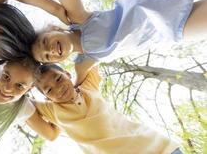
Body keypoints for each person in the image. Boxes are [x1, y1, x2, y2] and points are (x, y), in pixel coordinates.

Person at [0, 0, 207, 85]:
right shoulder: (84, 62)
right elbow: (76, 86)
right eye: (47, 57)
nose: (51, 50)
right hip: (172, 29)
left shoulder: (78, 19)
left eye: (45, 42)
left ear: (55, 29)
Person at [28, 63, 182, 154]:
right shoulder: (52, 110)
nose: (58, 87)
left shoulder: (88, 87)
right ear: (47, 98)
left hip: (158, 148)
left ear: (67, 74)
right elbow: (18, 100)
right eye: (49, 90)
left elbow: (89, 52)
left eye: (59, 78)